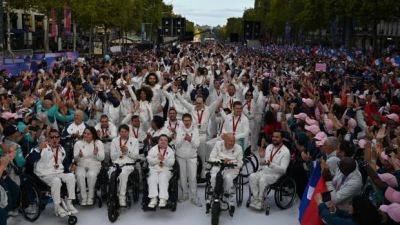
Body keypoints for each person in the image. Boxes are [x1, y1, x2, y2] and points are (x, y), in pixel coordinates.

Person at [29, 129, 78, 216]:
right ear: (48, 138)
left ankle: (69, 203)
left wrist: (71, 167)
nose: (54, 139)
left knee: (71, 176)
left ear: (59, 138)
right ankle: (57, 206)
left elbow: (64, 163)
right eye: (52, 137)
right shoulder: (41, 147)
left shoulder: (61, 149)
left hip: (58, 172)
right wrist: (39, 148)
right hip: (44, 175)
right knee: (56, 180)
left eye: (56, 137)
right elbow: (30, 159)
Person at [249, 131, 291, 210]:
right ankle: (256, 199)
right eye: (273, 136)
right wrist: (261, 158)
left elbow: (283, 170)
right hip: (264, 171)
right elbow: (264, 162)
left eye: (277, 137)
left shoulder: (286, 152)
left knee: (262, 180)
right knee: (252, 176)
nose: (274, 138)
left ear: (282, 139)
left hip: (275, 175)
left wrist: (270, 164)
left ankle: (261, 201)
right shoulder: (269, 147)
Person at [208, 134, 243, 209]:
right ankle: (215, 193)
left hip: (232, 168)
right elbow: (211, 157)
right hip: (218, 165)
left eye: (233, 141)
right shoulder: (218, 144)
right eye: (230, 141)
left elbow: (240, 163)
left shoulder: (238, 148)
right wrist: (221, 161)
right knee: (214, 176)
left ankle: (227, 195)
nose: (232, 143)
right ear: (225, 141)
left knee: (228, 178)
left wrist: (231, 162)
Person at [73, 126, 105, 206]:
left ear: (93, 135)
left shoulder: (98, 143)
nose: (86, 135)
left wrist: (95, 154)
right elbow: (75, 159)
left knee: (91, 175)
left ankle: (90, 197)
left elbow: (102, 158)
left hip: (94, 164)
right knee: (80, 175)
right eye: (85, 133)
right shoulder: (78, 143)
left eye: (88, 134)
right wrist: (79, 156)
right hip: (81, 164)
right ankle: (84, 197)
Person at [110, 124, 139, 207]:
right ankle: (112, 195)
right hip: (116, 164)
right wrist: (120, 151)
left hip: (128, 165)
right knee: (112, 175)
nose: (123, 133)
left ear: (128, 132)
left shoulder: (134, 141)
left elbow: (135, 157)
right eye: (122, 132)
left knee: (123, 175)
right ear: (119, 132)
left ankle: (122, 197)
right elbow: (112, 157)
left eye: (125, 132)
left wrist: (127, 151)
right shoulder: (114, 141)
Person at [175, 113, 201, 206]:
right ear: (182, 121)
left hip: (192, 157)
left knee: (193, 177)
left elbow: (197, 144)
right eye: (185, 120)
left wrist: (190, 139)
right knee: (182, 177)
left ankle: (194, 197)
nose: (186, 122)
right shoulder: (179, 129)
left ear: (191, 120)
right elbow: (177, 144)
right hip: (181, 156)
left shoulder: (195, 129)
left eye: (188, 120)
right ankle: (184, 194)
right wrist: (183, 138)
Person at [146, 134, 175, 208]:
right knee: (152, 178)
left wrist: (163, 159)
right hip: (154, 169)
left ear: (167, 142)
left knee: (163, 177)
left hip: (165, 169)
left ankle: (163, 199)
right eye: (161, 140)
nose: (163, 141)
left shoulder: (170, 151)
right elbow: (149, 160)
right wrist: (158, 159)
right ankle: (153, 199)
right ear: (158, 141)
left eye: (165, 140)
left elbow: (171, 163)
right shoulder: (153, 149)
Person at [316, 194, 381, 225]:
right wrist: (334, 211)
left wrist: (320, 203)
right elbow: (345, 215)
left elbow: (330, 220)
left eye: (351, 204)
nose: (349, 206)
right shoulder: (362, 218)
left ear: (357, 209)